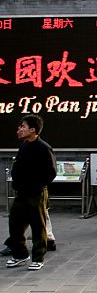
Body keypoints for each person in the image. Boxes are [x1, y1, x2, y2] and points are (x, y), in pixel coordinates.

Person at [6, 115, 56, 271]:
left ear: (33, 130)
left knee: (37, 225)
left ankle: (38, 257)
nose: (20, 130)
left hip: (36, 193)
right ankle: (20, 254)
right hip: (21, 192)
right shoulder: (24, 146)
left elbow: (51, 172)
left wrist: (37, 185)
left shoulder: (43, 148)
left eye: (23, 126)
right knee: (15, 224)